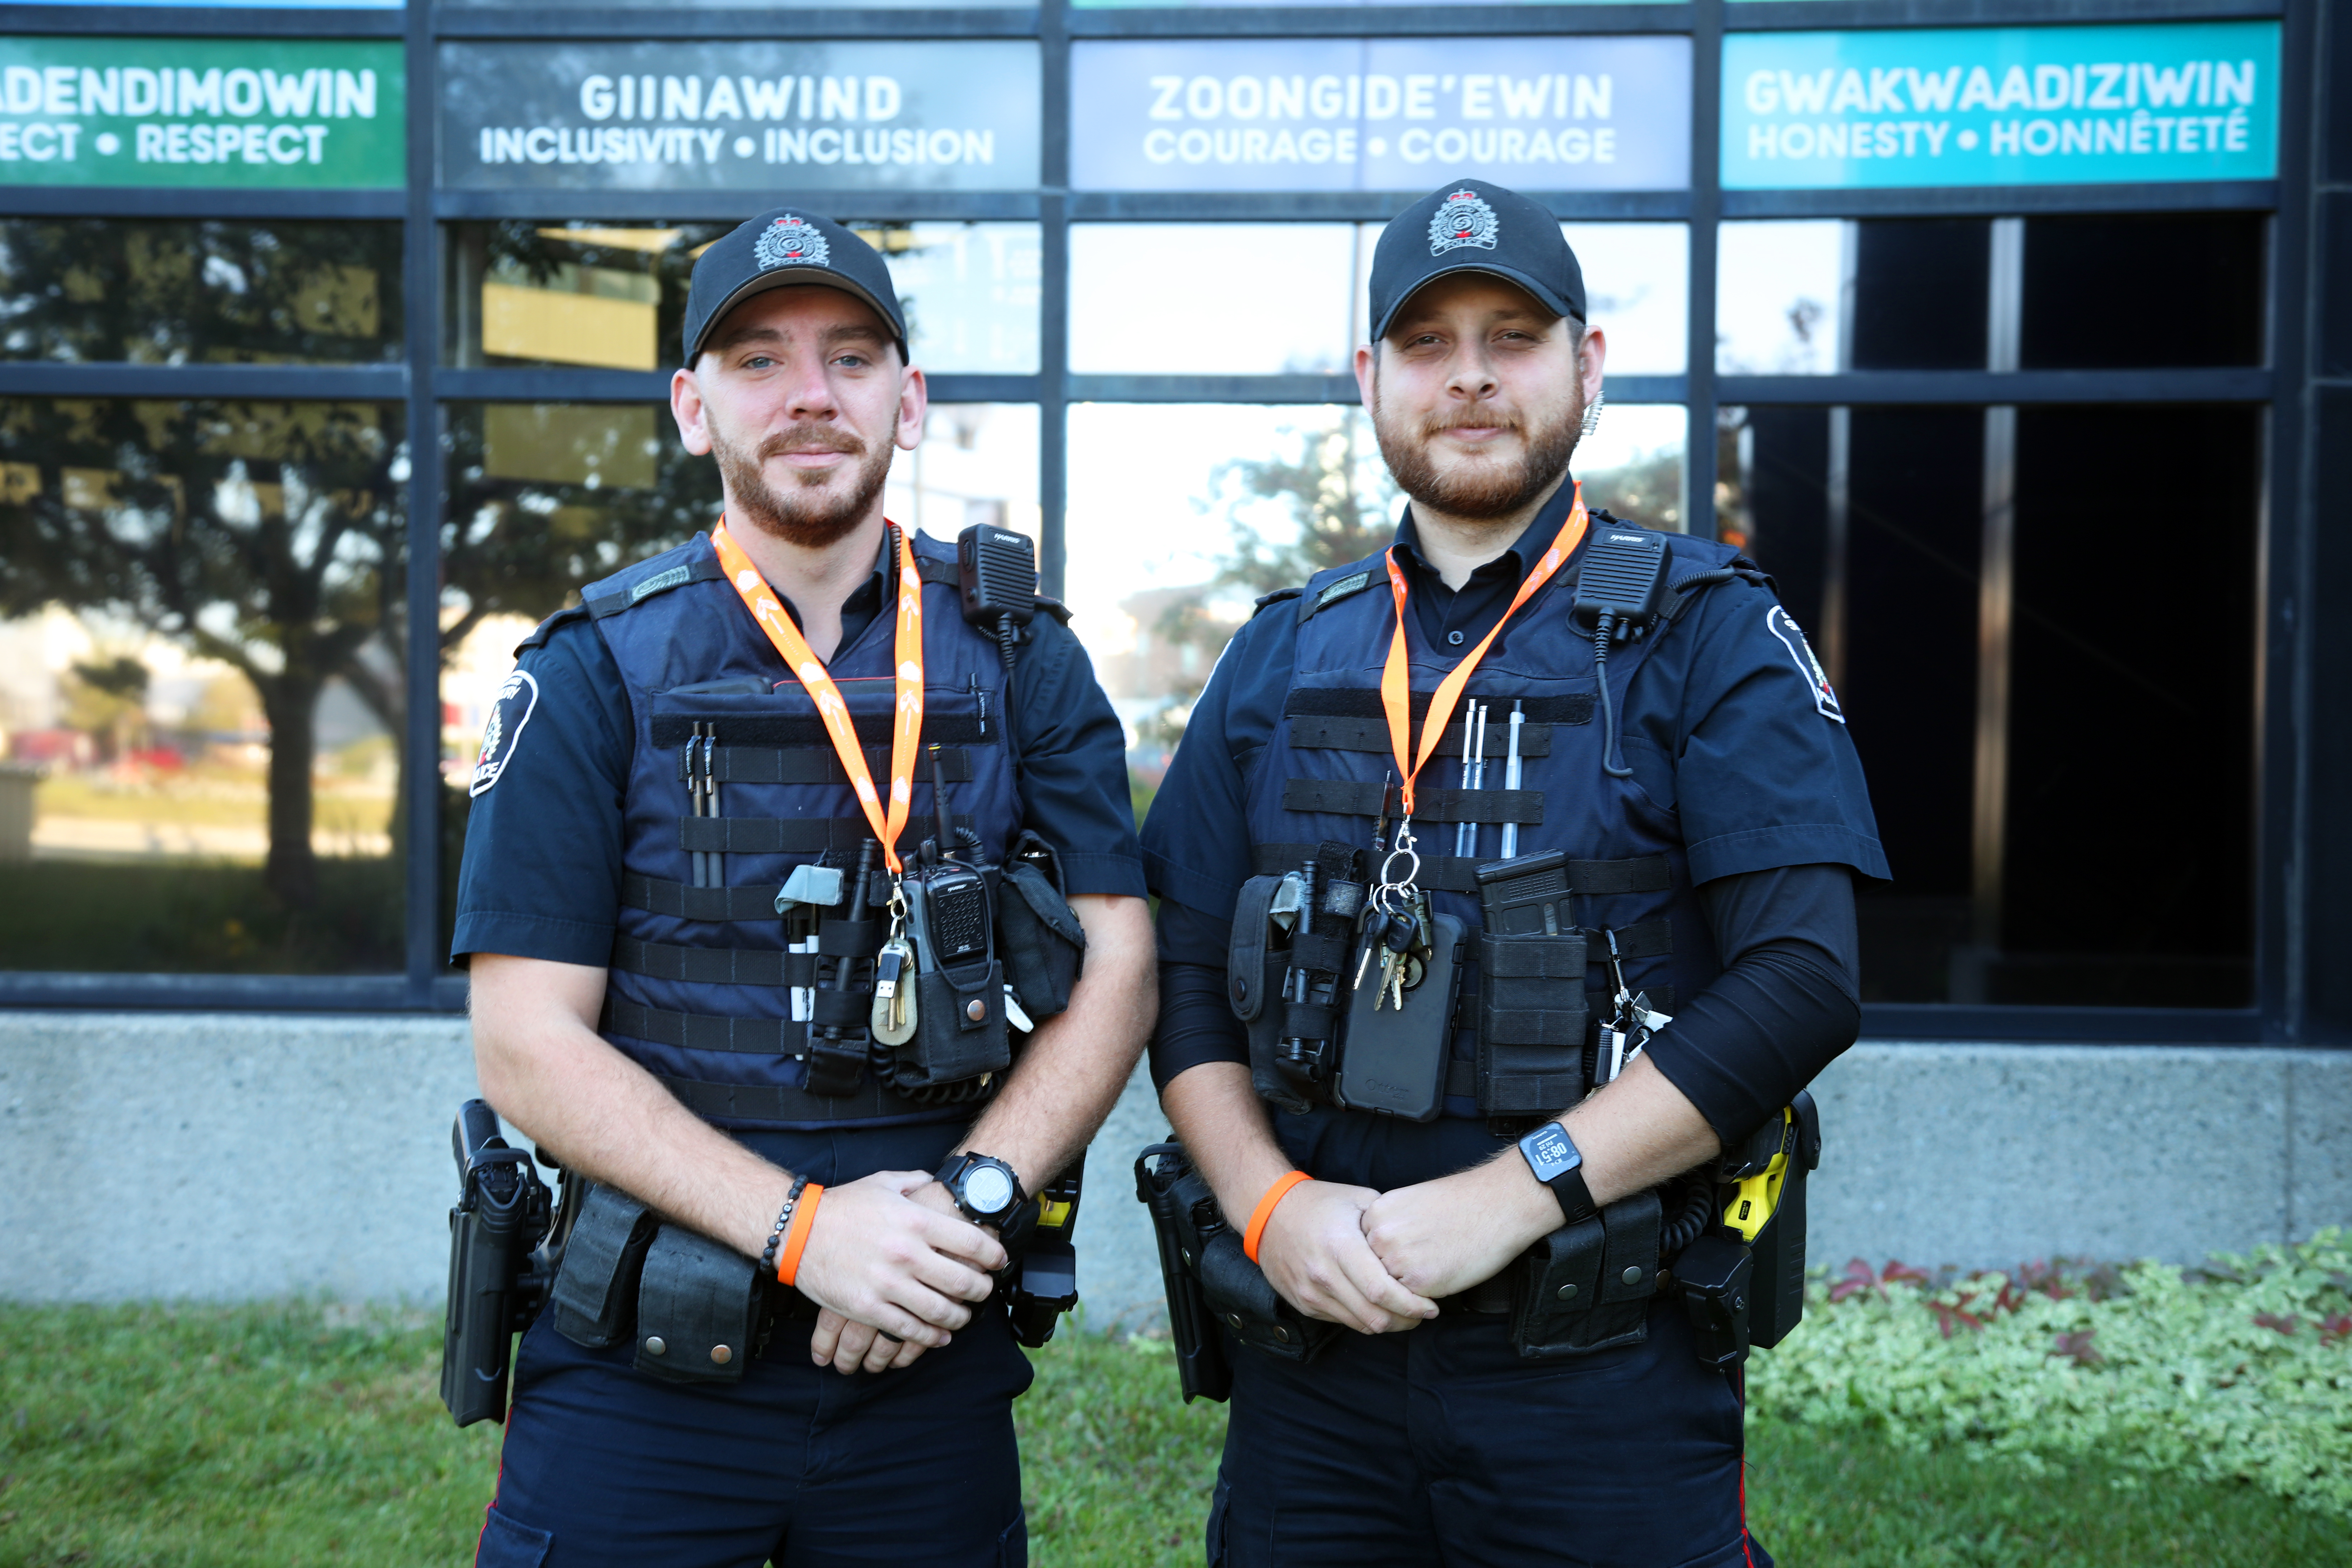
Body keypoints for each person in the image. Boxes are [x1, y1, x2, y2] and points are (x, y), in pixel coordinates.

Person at [1142, 179, 1887, 1567]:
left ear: (1587, 366)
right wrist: (1265, 1200)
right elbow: (1180, 976)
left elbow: (1803, 983)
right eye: (1427, 343)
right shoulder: (1278, 652)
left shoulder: (1708, 634)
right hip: (1315, 1368)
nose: (1471, 376)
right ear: (1370, 380)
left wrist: (1510, 1194)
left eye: (1513, 336)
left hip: (1601, 1369)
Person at [452, 207, 1155, 1567]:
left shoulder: (1021, 655)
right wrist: (804, 1235)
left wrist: (973, 1207)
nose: (810, 395)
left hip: (926, 1351)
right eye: (759, 361)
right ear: (691, 407)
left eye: (849, 355)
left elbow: (1121, 966)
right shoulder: (588, 668)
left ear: (910, 399)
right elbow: (525, 1047)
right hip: (642, 1374)